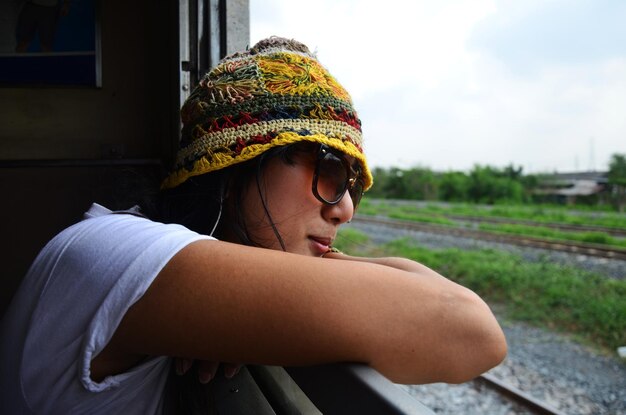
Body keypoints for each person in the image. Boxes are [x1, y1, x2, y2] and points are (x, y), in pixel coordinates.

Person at [0, 36, 507, 414]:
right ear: (239, 160)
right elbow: (468, 330)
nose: (345, 208)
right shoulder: (117, 250)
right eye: (330, 170)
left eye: (352, 183)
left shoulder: (159, 271)